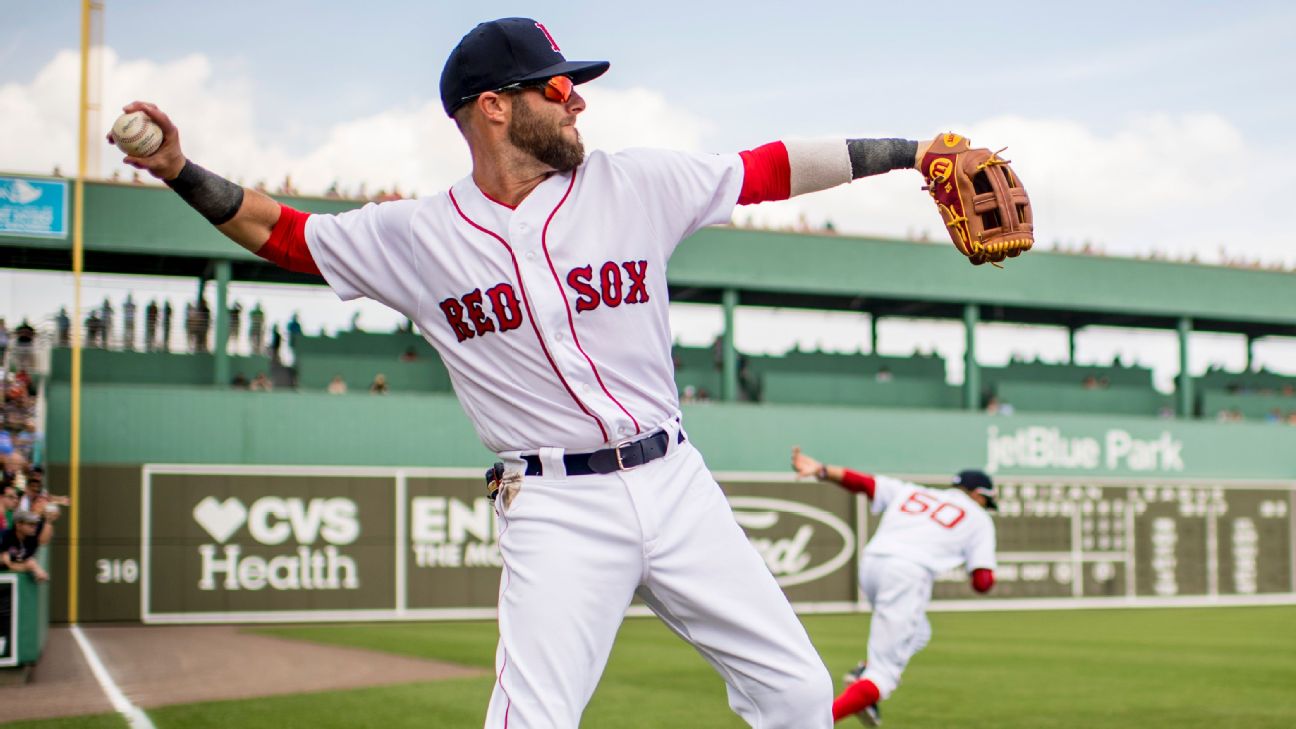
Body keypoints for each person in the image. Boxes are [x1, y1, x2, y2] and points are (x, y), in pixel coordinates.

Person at [114, 17, 962, 727]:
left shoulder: (635, 183)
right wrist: (179, 170)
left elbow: (770, 166)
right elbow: (281, 231)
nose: (577, 96)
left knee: (801, 693)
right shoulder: (416, 235)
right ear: (494, 108)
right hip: (555, 503)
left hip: (674, 478)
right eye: (555, 87)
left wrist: (915, 149)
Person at [790, 447, 998, 725]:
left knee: (919, 632)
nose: (986, 507)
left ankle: (864, 672)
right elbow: (982, 582)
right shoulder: (979, 518)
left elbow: (865, 484)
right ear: (978, 494)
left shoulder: (915, 492)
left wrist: (822, 470)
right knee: (885, 675)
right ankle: (814, 722)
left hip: (873, 563)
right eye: (987, 501)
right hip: (907, 574)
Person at [0, 510, 48, 582]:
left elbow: (28, 561)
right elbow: (7, 563)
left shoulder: (31, 539)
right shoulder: (5, 536)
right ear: (18, 525)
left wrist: (36, 569)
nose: (34, 527)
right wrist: (28, 567)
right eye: (30, 524)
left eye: (35, 524)